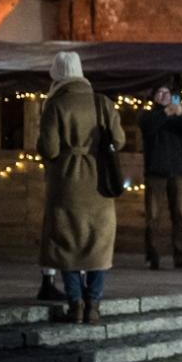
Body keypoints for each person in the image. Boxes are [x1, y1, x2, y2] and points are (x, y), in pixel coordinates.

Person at [38, 51, 125, 324]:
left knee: (67, 243)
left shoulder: (56, 104)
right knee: (98, 243)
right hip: (99, 181)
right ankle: (94, 305)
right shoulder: (103, 103)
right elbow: (120, 140)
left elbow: (49, 148)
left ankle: (75, 304)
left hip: (66, 183)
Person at [139, 85, 182, 270]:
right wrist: (165, 113)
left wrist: (180, 114)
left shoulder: (178, 116)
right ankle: (153, 254)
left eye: (167, 93)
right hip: (156, 172)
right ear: (154, 97)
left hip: (177, 171)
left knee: (180, 215)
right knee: (153, 215)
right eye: (160, 93)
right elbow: (149, 127)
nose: (164, 96)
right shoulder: (149, 116)